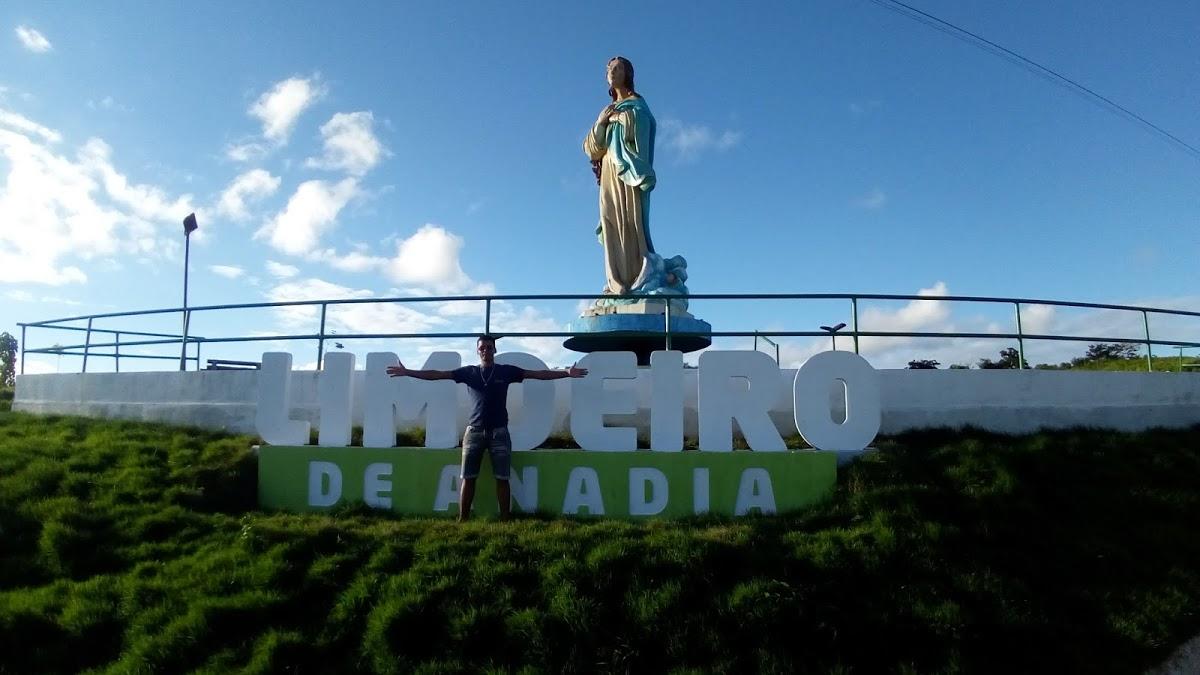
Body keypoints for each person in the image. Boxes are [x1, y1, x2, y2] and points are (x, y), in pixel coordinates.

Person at [385, 335, 588, 521]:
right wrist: (407, 372)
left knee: (502, 478)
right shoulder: (469, 372)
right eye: (482, 348)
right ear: (477, 351)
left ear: (494, 350)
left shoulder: (506, 371)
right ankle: (462, 519)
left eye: (489, 348)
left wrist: (566, 373)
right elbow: (437, 375)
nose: (485, 351)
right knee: (468, 477)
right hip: (474, 432)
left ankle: (505, 520)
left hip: (499, 432)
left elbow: (538, 374)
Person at [583, 56, 658, 298]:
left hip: (628, 173)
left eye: (618, 68)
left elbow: (642, 129)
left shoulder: (637, 105)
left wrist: (620, 119)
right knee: (610, 220)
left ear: (628, 74)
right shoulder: (606, 111)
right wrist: (603, 122)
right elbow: (591, 147)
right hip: (608, 173)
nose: (612, 73)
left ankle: (635, 277)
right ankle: (615, 281)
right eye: (609, 70)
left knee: (630, 221)